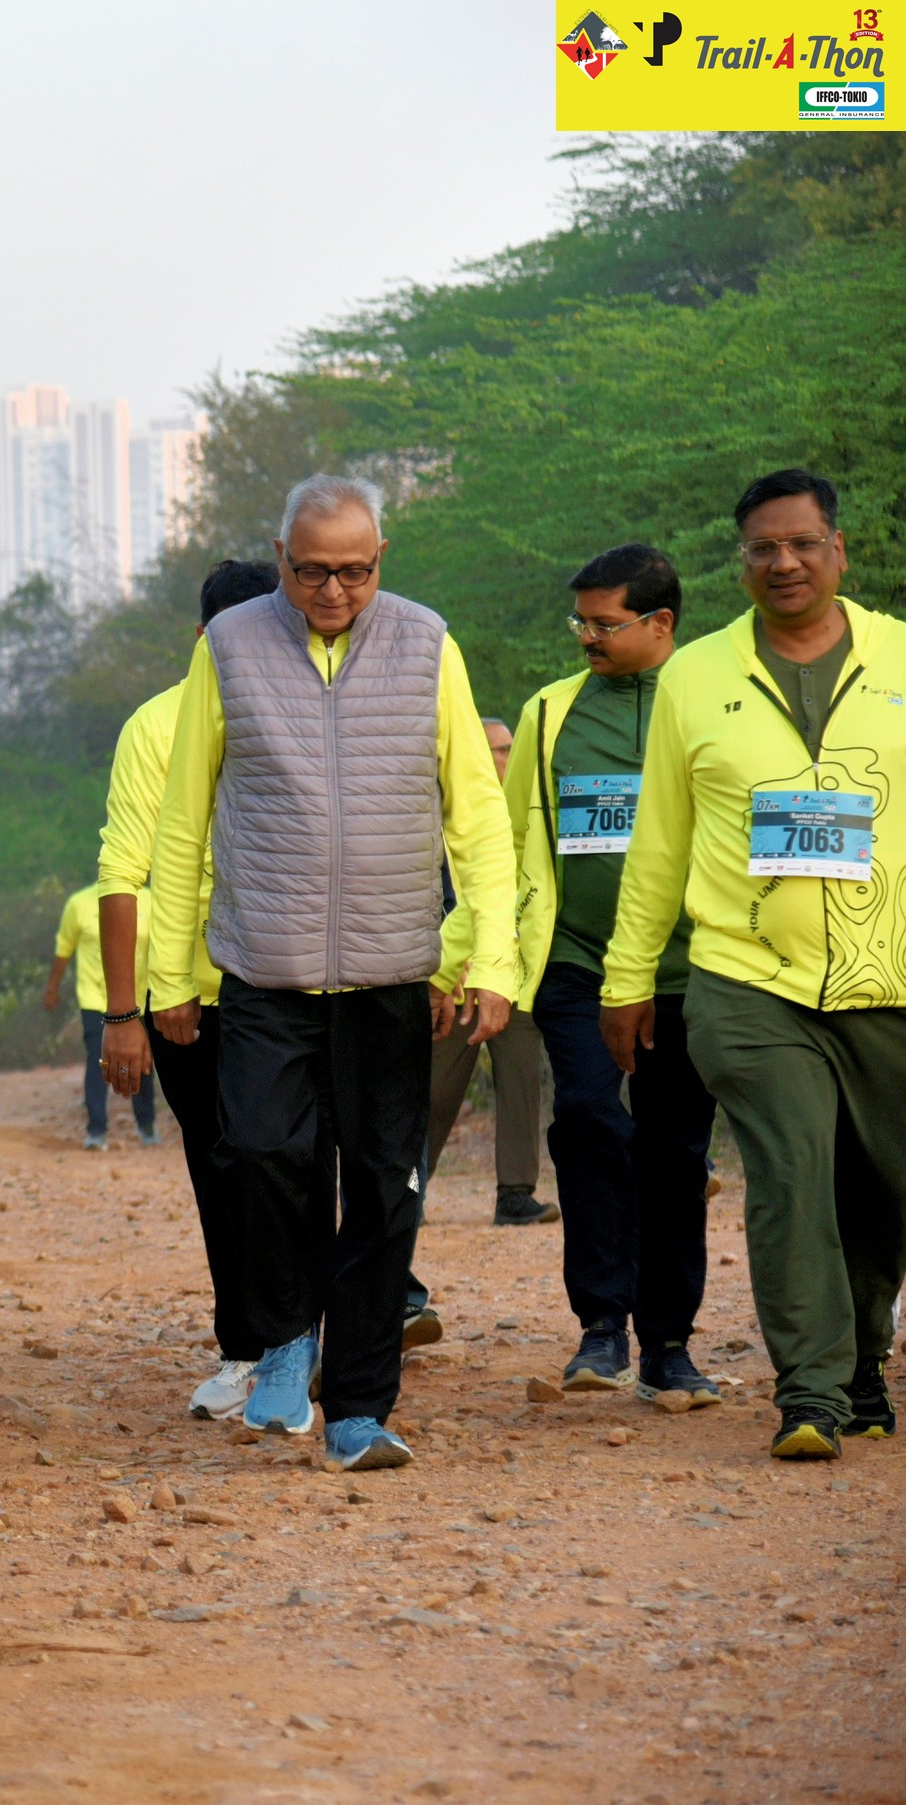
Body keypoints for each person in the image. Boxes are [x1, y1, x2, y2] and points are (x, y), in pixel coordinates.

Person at [147, 475, 519, 1473]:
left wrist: (491, 958)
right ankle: (283, 1334)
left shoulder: (426, 643)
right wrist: (169, 973)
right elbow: (182, 821)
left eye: (353, 571)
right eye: (311, 570)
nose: (332, 590)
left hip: (389, 976)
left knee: (385, 1193)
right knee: (256, 1153)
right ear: (281, 559)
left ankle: (359, 1407)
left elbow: (476, 816)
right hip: (262, 973)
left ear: (379, 559)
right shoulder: (231, 646)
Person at [601, 470, 906, 1461]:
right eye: (762, 547)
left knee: (876, 1186)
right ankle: (808, 1390)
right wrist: (626, 977)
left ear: (837, 550)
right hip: (748, 976)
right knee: (788, 1170)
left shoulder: (900, 656)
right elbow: (659, 841)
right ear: (739, 561)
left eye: (802, 543)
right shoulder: (694, 676)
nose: (783, 562)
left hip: (887, 977)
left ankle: (861, 1364)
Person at [506, 545, 719, 1403]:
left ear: (659, 622)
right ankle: (601, 1327)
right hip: (576, 963)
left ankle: (667, 1343)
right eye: (580, 622)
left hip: (686, 971)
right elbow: (510, 841)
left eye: (603, 623)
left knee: (674, 1149)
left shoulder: (708, 702)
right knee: (588, 1118)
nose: (586, 637)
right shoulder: (549, 713)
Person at [99, 558, 278, 1418]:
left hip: (298, 982)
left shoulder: (310, 709)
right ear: (204, 638)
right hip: (190, 996)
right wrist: (122, 1011)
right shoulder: (155, 726)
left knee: (296, 1156)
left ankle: (333, 1323)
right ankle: (247, 1346)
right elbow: (122, 872)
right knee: (223, 1163)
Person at [427, 718, 557, 1227]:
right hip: (453, 970)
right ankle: (405, 1189)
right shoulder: (442, 816)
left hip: (513, 971)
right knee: (433, 1089)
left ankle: (516, 1193)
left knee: (521, 1076)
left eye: (507, 749)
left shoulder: (526, 814)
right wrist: (442, 963)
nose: (504, 758)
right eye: (495, 750)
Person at [48, 882, 158, 1149]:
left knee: (142, 1062)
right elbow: (64, 948)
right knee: (98, 1059)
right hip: (95, 999)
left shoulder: (151, 900)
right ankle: (96, 1131)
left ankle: (146, 1126)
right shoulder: (79, 903)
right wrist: (52, 988)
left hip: (142, 997)